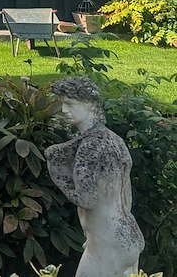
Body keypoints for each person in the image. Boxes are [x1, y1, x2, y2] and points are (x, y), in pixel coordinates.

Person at [44, 77, 144, 277]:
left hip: (107, 242)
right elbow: (126, 196)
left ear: (90, 106)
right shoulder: (114, 140)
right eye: (62, 103)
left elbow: (86, 199)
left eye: (70, 104)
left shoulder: (89, 146)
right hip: (128, 233)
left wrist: (59, 176)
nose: (63, 110)